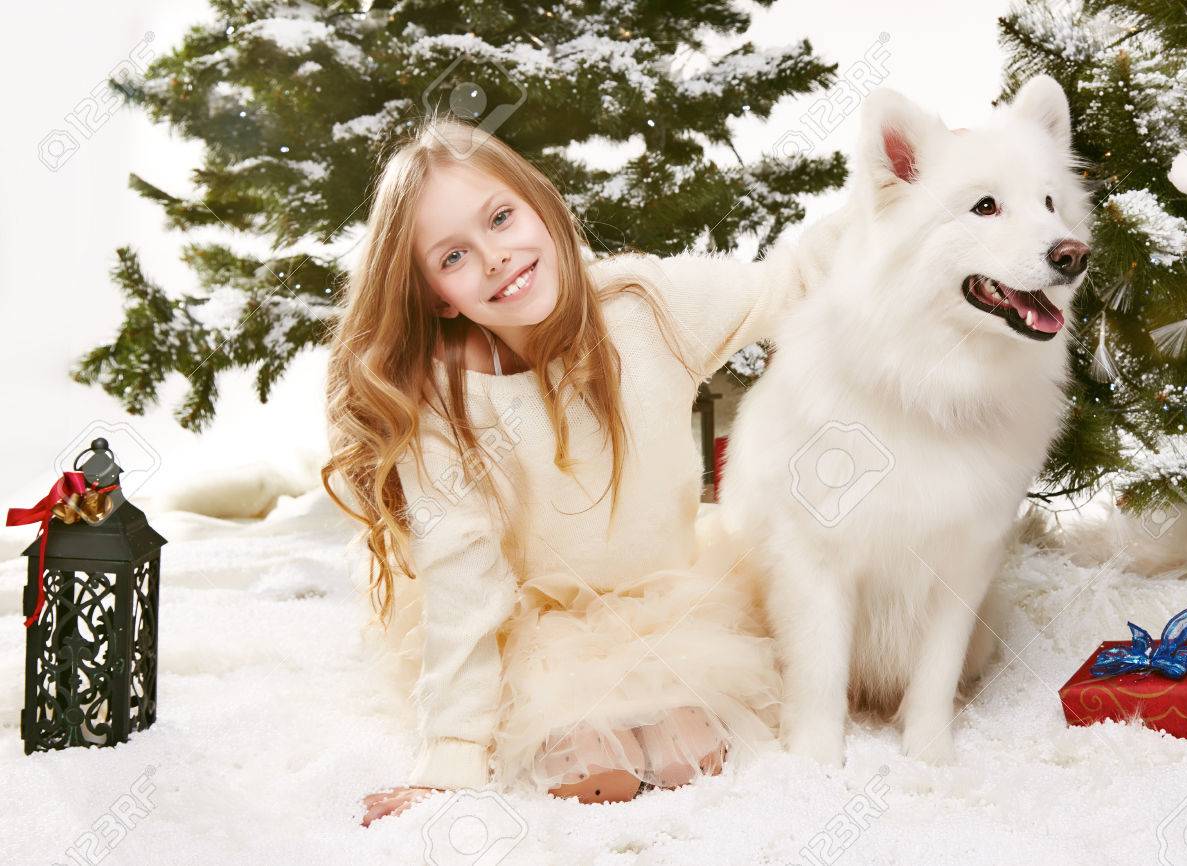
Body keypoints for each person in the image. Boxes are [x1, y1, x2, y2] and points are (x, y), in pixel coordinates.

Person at [320, 113, 835, 826]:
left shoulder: (644, 307)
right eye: (454, 256)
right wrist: (451, 758)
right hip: (537, 622)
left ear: (540, 204)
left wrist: (914, 199)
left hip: (666, 598)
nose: (496, 257)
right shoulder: (441, 400)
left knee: (692, 757)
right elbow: (463, 575)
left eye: (501, 218)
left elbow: (790, 283)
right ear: (438, 294)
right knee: (597, 777)